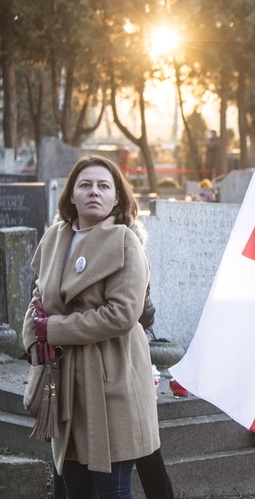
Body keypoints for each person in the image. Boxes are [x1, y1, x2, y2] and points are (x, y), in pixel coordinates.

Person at [22, 155, 160, 498]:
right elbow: (37, 294)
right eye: (84, 185)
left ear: (117, 198)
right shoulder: (54, 238)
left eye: (103, 186)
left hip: (112, 379)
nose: (93, 192)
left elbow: (123, 314)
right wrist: (32, 340)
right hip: (64, 382)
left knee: (111, 490)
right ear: (71, 195)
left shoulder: (125, 242)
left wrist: (52, 330)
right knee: (72, 487)